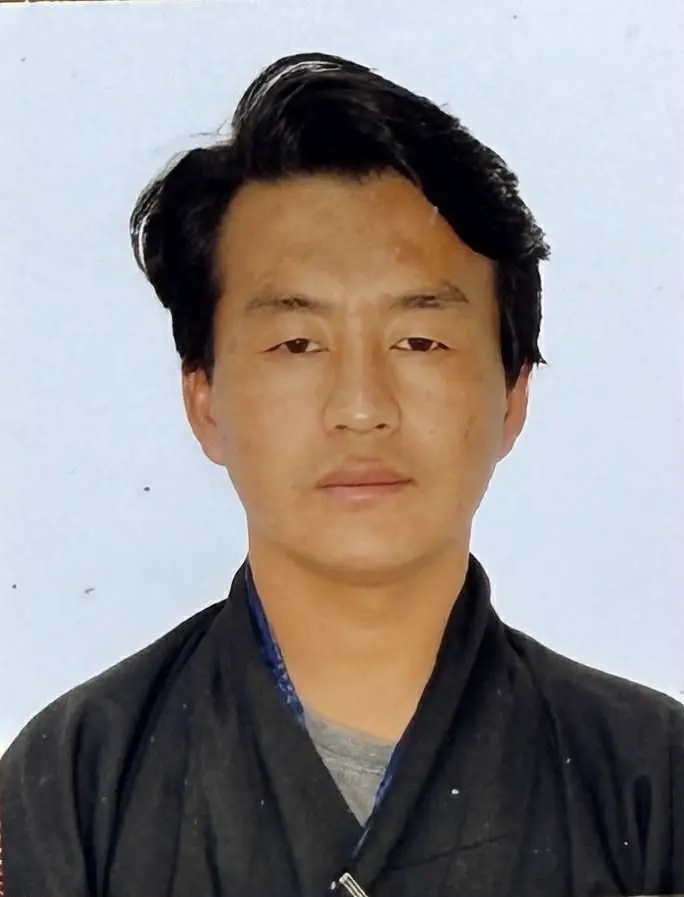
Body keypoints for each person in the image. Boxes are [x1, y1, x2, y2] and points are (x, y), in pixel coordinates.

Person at [1, 51, 681, 897]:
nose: (361, 408)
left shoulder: (654, 781)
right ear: (204, 400)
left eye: (420, 341)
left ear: (513, 395)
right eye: (297, 343)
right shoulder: (73, 783)